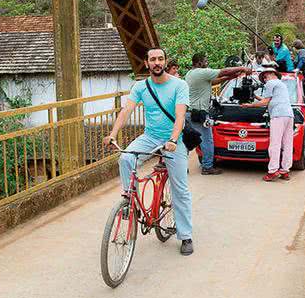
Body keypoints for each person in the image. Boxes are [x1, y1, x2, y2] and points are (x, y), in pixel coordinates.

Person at [103, 48, 195, 256]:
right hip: (150, 137)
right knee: (126, 158)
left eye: (160, 59)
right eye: (152, 59)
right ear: (146, 63)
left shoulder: (179, 85)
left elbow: (180, 116)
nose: (157, 62)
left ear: (165, 62)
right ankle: (129, 202)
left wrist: (172, 140)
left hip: (174, 140)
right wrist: (113, 134)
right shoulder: (141, 87)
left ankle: (185, 235)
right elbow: (126, 111)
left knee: (180, 189)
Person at [185, 53, 253, 175]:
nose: (207, 63)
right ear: (199, 62)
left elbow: (214, 81)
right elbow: (223, 71)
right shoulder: (201, 72)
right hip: (199, 114)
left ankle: (182, 167)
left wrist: (231, 77)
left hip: (190, 113)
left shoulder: (191, 73)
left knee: (187, 140)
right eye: (205, 60)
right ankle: (207, 166)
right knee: (207, 140)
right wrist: (242, 68)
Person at [241, 68, 294, 181]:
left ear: (270, 74)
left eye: (265, 77)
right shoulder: (281, 84)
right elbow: (269, 100)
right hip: (288, 115)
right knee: (287, 144)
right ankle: (285, 170)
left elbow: (265, 102)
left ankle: (273, 171)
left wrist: (249, 105)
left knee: (275, 144)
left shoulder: (270, 83)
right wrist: (255, 97)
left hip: (278, 115)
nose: (264, 80)